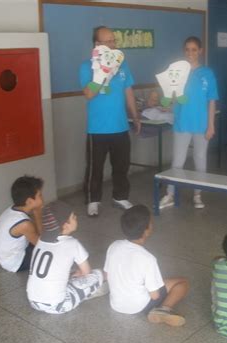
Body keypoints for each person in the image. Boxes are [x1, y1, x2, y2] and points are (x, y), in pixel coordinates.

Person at [79, 26, 141, 217]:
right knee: (95, 168)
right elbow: (88, 94)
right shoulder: (86, 67)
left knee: (121, 166)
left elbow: (128, 91)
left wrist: (135, 116)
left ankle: (120, 196)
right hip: (97, 129)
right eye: (108, 41)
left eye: (114, 41)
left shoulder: (122, 66)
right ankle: (93, 200)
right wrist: (102, 73)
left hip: (120, 126)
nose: (113, 44)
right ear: (97, 44)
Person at [158, 36, 219, 210]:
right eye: (187, 49)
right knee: (177, 161)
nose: (190, 53)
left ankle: (198, 194)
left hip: (201, 125)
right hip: (182, 122)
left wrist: (211, 125)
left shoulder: (207, 73)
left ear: (200, 51)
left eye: (194, 49)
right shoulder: (177, 71)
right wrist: (166, 102)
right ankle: (170, 194)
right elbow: (170, 94)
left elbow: (212, 101)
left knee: (200, 159)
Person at [104, 204, 189, 326]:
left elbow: (107, 275)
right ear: (146, 230)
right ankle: (164, 309)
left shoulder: (114, 245)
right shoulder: (148, 258)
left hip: (116, 304)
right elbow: (155, 296)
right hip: (139, 306)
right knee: (182, 283)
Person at [27, 202, 107, 314]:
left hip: (33, 301)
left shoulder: (40, 240)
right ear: (66, 225)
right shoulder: (73, 243)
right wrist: (82, 273)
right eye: (73, 217)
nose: (76, 218)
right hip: (58, 304)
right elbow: (87, 272)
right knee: (98, 273)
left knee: (70, 272)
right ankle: (91, 291)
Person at [0, 176, 43, 272]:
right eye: (40, 195)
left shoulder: (13, 209)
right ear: (29, 201)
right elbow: (42, 244)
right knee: (52, 250)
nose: (42, 198)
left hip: (6, 257)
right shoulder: (24, 224)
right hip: (16, 263)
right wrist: (38, 213)